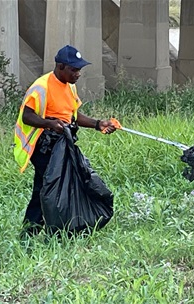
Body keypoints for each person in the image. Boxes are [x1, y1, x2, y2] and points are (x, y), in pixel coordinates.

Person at [14, 45, 116, 238]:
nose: (78, 73)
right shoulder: (41, 87)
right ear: (60, 66)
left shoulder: (69, 86)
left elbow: (74, 115)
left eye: (79, 69)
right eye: (74, 69)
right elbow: (26, 116)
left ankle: (67, 225)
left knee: (70, 182)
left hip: (64, 144)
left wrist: (98, 124)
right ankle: (31, 233)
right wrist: (49, 124)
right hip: (44, 147)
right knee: (47, 188)